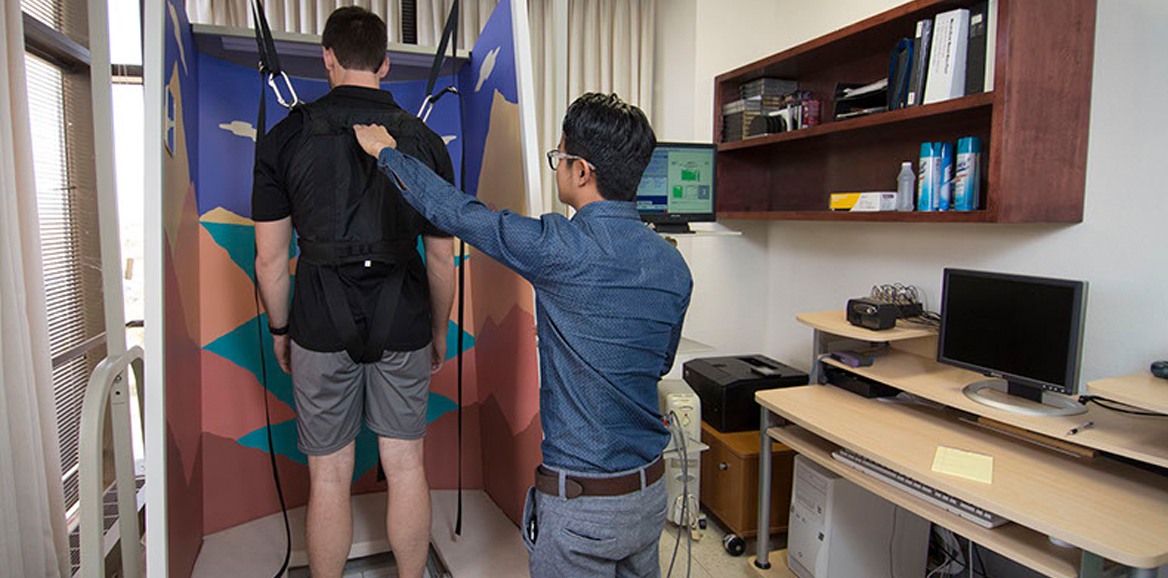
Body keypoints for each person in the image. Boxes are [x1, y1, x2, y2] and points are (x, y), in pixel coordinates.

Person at [353, 93, 692, 578]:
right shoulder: (673, 265)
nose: (558, 167)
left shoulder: (561, 248)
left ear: (582, 171)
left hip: (582, 509)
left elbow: (457, 212)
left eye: (560, 157)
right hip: (649, 498)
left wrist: (386, 153)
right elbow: (656, 363)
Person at [251, 7, 455, 578]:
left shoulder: (285, 138)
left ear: (327, 57)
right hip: (404, 316)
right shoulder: (425, 142)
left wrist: (281, 330)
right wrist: (439, 332)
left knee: (329, 475)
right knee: (406, 465)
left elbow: (270, 260)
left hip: (318, 319)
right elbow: (442, 257)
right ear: (385, 64)